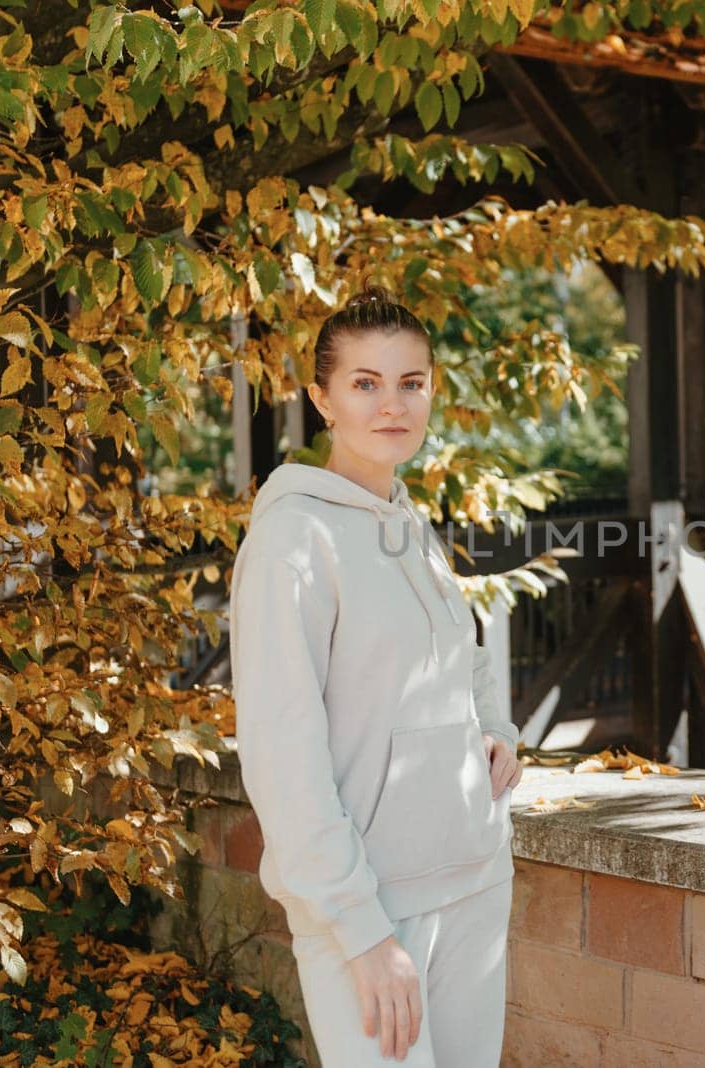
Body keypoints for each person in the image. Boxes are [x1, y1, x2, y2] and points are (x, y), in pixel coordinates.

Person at [228, 285, 522, 1066]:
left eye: (410, 383)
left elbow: (465, 655)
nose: (392, 405)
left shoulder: (409, 524)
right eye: (365, 383)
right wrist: (362, 931)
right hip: (371, 910)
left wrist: (496, 730)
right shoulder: (294, 540)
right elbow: (282, 757)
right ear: (322, 398)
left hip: (474, 881)